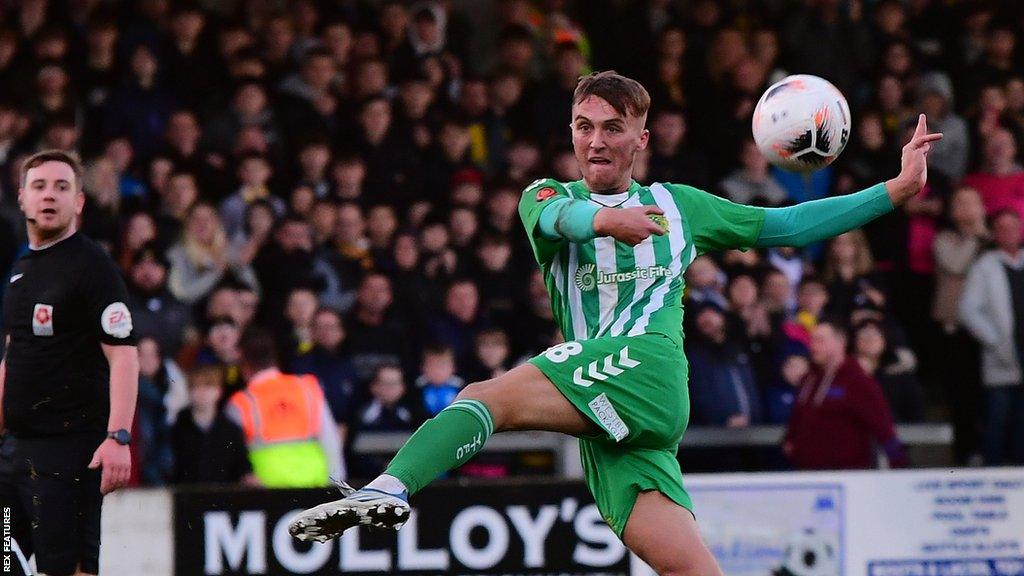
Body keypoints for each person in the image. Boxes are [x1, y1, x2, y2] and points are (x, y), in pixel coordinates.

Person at [288, 71, 940, 575]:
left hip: (647, 372)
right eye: (583, 126)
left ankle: (390, 489)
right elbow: (554, 221)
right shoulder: (546, 195)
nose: (595, 139)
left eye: (611, 127)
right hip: (615, 417)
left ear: (641, 138)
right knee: (687, 567)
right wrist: (605, 220)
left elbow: (787, 226)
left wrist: (896, 189)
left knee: (484, 398)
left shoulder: (681, 207)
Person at [0, 150, 140, 576]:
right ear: (21, 198)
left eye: (62, 187)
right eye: (39, 186)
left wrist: (118, 436)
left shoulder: (93, 267)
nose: (50, 196)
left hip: (69, 451)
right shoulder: (22, 268)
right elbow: (13, 354)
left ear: (79, 202)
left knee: (69, 569)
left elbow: (124, 355)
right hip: (15, 452)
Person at [226, 327, 346, 487]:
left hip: (265, 490)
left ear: (244, 364)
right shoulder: (307, 388)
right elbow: (330, 438)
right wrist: (337, 483)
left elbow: (234, 456)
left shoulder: (241, 402)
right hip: (315, 484)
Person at [784, 319, 906, 471]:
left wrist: (900, 468)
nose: (813, 346)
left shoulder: (857, 381)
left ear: (840, 342)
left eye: (820, 340)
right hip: (808, 475)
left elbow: (883, 427)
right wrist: (789, 441)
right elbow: (797, 418)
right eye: (812, 340)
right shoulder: (808, 380)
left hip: (847, 478)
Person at [958, 208, 1024, 465]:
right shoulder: (985, 265)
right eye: (1002, 228)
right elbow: (968, 309)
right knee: (997, 421)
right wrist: (995, 341)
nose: (1008, 233)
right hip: (1002, 355)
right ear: (995, 233)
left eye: (1013, 227)